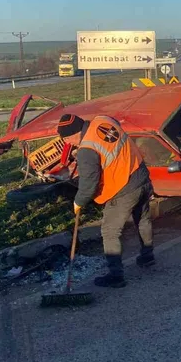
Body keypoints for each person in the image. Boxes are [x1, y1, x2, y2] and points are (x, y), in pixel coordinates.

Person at [56, 113, 155, 288]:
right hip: (142, 177)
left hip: (123, 189)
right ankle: (148, 257)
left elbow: (89, 184)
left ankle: (116, 276)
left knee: (110, 232)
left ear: (74, 133)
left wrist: (78, 202)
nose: (68, 144)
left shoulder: (86, 150)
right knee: (143, 220)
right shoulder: (103, 120)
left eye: (67, 139)